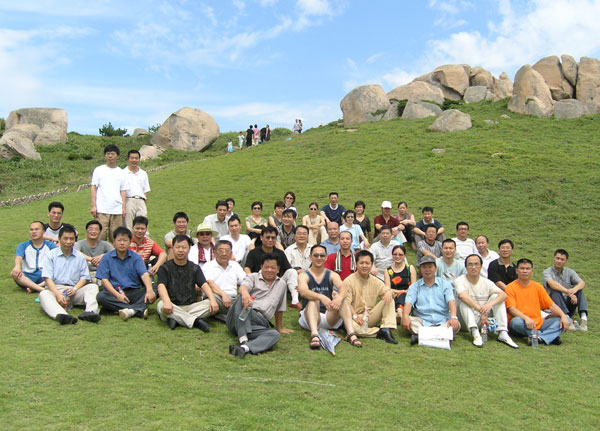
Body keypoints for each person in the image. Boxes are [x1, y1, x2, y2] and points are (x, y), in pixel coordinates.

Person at [227, 253, 293, 358]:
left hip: (259, 322)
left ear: (278, 269)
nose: (269, 270)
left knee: (274, 334)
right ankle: (243, 337)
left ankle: (244, 348)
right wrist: (245, 294)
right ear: (261, 267)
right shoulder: (253, 277)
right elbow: (243, 287)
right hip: (239, 317)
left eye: (273, 267)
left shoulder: (281, 284)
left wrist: (279, 328)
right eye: (266, 267)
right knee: (240, 299)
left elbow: (280, 308)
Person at [297, 245, 362, 349]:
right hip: (309, 317)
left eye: (322, 255)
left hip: (328, 316)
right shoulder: (304, 275)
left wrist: (339, 299)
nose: (319, 258)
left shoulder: (331, 274)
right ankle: (314, 335)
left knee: (343, 299)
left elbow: (344, 287)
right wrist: (321, 297)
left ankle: (351, 333)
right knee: (314, 300)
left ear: (326, 257)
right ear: (310, 257)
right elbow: (303, 292)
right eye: (316, 255)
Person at [39, 225, 101, 324]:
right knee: (44, 294)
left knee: (93, 287)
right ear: (59, 239)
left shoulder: (80, 257)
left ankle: (90, 312)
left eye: (71, 239)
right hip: (56, 289)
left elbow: (84, 277)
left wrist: (75, 289)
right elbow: (48, 278)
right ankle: (61, 315)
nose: (68, 242)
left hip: (74, 290)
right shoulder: (50, 255)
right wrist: (57, 295)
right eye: (65, 238)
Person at [455, 254, 519, 348]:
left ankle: (503, 332)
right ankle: (475, 334)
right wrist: (481, 310)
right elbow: (462, 295)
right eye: (470, 264)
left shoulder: (487, 282)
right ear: (466, 267)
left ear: (481, 266)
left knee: (497, 297)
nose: (473, 267)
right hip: (465, 320)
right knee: (463, 301)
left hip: (483, 320)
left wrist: (489, 305)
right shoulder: (460, 280)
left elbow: (503, 295)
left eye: (476, 264)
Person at [96, 226, 157, 320]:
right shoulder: (106, 258)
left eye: (125, 240)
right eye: (119, 240)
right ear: (114, 242)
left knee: (157, 288)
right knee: (101, 297)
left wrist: (149, 289)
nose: (122, 243)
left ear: (129, 242)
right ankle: (137, 309)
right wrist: (117, 295)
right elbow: (104, 280)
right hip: (115, 292)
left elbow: (144, 274)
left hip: (133, 292)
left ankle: (130, 310)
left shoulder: (136, 258)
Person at [506, 258, 570, 345]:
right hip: (522, 323)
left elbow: (551, 305)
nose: (525, 271)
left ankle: (540, 338)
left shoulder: (537, 286)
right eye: (522, 268)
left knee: (566, 319)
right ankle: (549, 336)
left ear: (532, 272)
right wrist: (526, 318)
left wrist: (563, 315)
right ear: (517, 271)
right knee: (515, 322)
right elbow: (511, 309)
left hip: (539, 323)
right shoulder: (510, 287)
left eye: (527, 269)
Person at [155, 235, 211, 331]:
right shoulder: (165, 268)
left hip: (190, 306)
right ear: (173, 248)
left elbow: (204, 284)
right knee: (160, 305)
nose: (180, 250)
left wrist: (212, 300)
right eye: (177, 247)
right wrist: (167, 302)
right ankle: (195, 321)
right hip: (171, 305)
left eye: (184, 247)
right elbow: (161, 286)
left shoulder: (194, 268)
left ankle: (176, 319)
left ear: (189, 249)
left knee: (209, 304)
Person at [401, 256, 460, 345]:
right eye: (424, 267)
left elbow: (451, 301)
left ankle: (421, 335)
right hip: (422, 321)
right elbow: (408, 303)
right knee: (405, 320)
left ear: (435, 268)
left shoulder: (445, 284)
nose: (427, 270)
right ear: (420, 269)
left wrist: (453, 317)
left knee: (455, 325)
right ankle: (442, 335)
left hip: (442, 320)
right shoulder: (415, 286)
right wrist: (405, 316)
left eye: (430, 267)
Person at [344, 251, 397, 343]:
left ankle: (386, 327)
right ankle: (380, 332)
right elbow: (346, 303)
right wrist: (356, 317)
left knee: (389, 298)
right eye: (361, 263)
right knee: (353, 329)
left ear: (372, 265)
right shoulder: (349, 281)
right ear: (356, 264)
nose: (364, 266)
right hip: (355, 317)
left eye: (367, 263)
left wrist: (389, 292)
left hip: (370, 315)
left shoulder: (375, 281)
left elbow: (387, 291)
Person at [244, 226, 301, 309]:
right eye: (267, 237)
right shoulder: (253, 253)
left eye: (273, 238)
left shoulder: (280, 253)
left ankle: (295, 300)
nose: (270, 240)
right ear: (261, 238)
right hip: (259, 282)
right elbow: (247, 268)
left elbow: (288, 269)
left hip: (276, 283)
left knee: (292, 271)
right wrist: (250, 279)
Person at [542, 249, 588, 331]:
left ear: (566, 261)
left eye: (562, 259)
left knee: (579, 290)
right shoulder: (547, 272)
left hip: (568, 304)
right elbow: (552, 284)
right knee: (554, 291)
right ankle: (567, 320)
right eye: (557, 258)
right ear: (553, 258)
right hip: (554, 306)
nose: (559, 261)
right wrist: (568, 292)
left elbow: (582, 283)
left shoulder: (569, 272)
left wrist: (574, 290)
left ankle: (584, 320)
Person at [90, 144, 128, 241]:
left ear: (117, 156)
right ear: (105, 156)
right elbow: (93, 188)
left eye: (113, 154)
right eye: (108, 154)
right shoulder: (99, 170)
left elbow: (123, 191)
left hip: (117, 209)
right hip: (102, 209)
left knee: (116, 236)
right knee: (100, 235)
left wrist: (123, 207)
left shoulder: (121, 172)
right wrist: (93, 206)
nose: (110, 156)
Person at [202, 240, 246, 321]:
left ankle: (222, 315)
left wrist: (245, 293)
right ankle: (234, 315)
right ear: (215, 252)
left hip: (233, 299)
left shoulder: (235, 265)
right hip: (216, 297)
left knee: (246, 299)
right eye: (221, 251)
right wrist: (223, 295)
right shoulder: (208, 266)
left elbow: (245, 281)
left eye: (227, 251)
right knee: (212, 299)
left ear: (231, 253)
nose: (224, 254)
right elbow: (210, 283)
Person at [11, 221, 57, 293]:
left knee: (57, 274)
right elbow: (18, 257)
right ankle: (41, 289)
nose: (34, 232)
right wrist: (17, 266)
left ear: (43, 232)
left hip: (45, 276)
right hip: (28, 276)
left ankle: (34, 287)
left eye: (36, 229)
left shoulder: (50, 245)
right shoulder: (23, 245)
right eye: (31, 230)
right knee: (14, 274)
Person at [384, 244, 417, 320]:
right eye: (395, 254)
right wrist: (401, 292)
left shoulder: (410, 268)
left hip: (408, 295)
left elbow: (414, 286)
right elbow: (387, 288)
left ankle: (399, 312)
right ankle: (401, 313)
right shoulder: (388, 271)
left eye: (400, 254)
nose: (397, 256)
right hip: (394, 296)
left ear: (404, 256)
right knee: (394, 295)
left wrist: (405, 292)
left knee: (405, 295)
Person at [123, 149, 150, 231]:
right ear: (128, 159)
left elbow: (146, 190)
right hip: (128, 200)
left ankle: (144, 239)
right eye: (132, 158)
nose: (134, 160)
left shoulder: (143, 173)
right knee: (128, 224)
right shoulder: (122, 173)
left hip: (141, 200)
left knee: (143, 223)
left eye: (136, 158)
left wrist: (143, 202)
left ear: (139, 159)